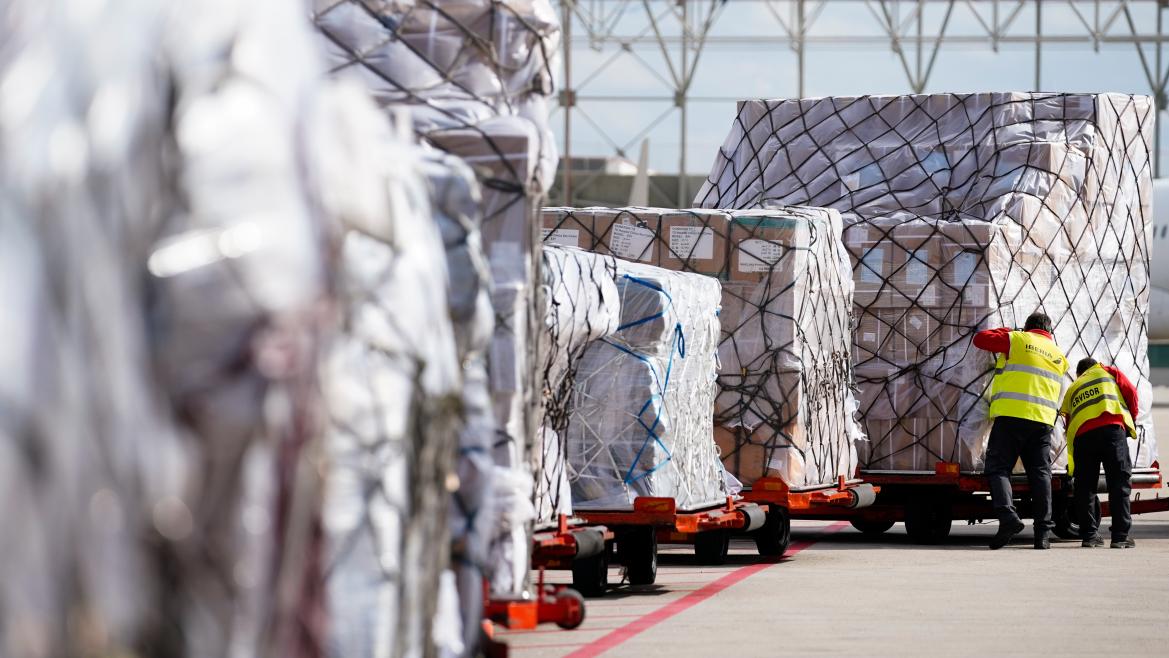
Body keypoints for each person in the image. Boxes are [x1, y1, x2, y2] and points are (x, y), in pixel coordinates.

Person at [974, 312, 1069, 550]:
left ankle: (1007, 518)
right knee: (1040, 475)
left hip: (1012, 416)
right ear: (1049, 331)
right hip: (1043, 422)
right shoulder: (1059, 356)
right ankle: (1042, 535)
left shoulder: (1017, 340)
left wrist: (1007, 331)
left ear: (1027, 328)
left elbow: (981, 339)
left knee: (998, 468)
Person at [1060, 357, 1138, 549]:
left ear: (1079, 373)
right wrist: (1129, 420)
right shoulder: (1108, 372)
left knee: (1085, 487)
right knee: (1118, 483)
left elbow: (1069, 423)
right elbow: (1132, 394)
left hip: (1083, 437)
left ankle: (1090, 536)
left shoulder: (1073, 387)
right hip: (1112, 429)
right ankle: (1120, 537)